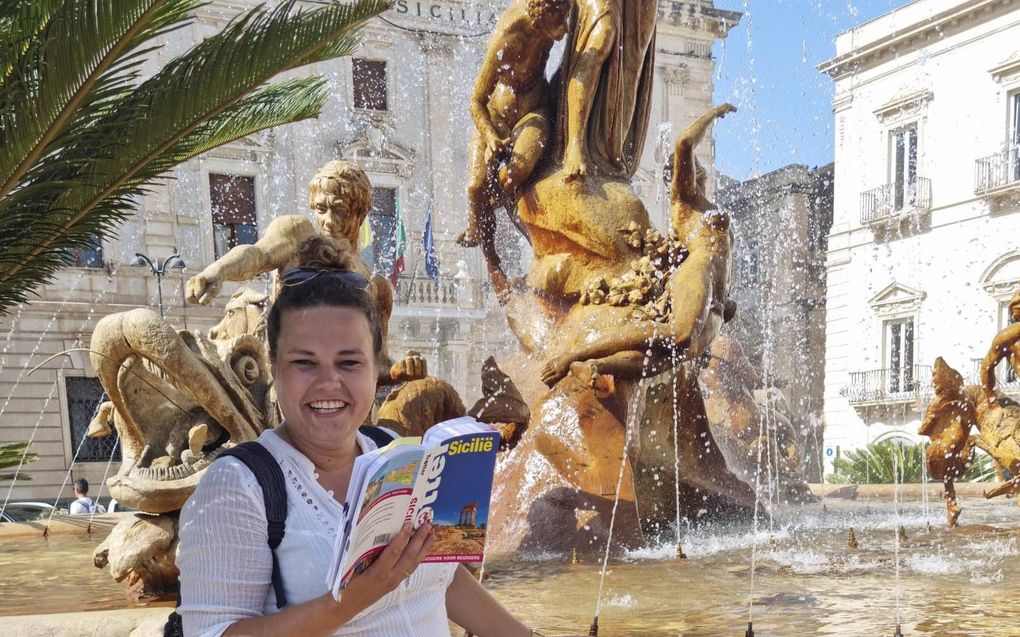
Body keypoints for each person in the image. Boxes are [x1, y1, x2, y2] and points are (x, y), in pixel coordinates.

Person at [176, 237, 534, 636]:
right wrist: (352, 598)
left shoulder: (391, 449)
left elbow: (442, 577)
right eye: (304, 363)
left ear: (376, 366)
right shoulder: (239, 487)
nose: (329, 382)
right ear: (274, 367)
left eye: (349, 362)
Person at [185, 161, 426, 390]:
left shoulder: (375, 287)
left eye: (340, 210)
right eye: (321, 209)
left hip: (347, 404)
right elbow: (259, 254)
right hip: (291, 387)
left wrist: (399, 372)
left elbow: (374, 366)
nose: (328, 221)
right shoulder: (300, 236)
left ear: (361, 215)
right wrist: (219, 270)